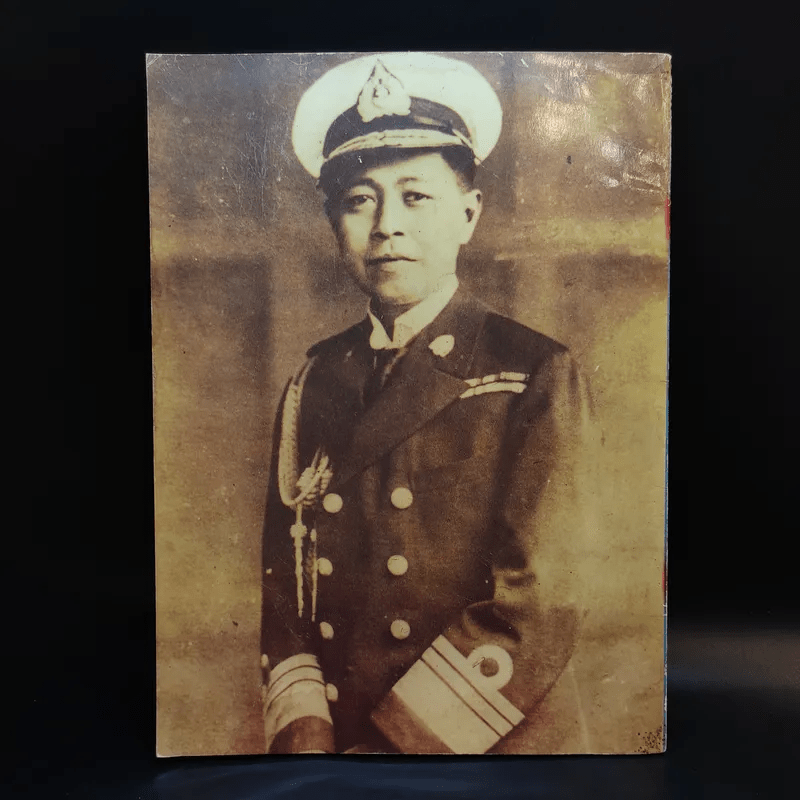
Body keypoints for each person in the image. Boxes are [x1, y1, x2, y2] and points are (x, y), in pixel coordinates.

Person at [259, 53, 599, 755]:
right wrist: (305, 730)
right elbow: (285, 587)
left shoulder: (533, 372)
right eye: (360, 200)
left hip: (479, 743)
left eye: (415, 197)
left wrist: (388, 754)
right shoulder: (313, 381)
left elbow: (539, 602)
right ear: (333, 222)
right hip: (336, 743)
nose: (387, 225)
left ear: (468, 216)